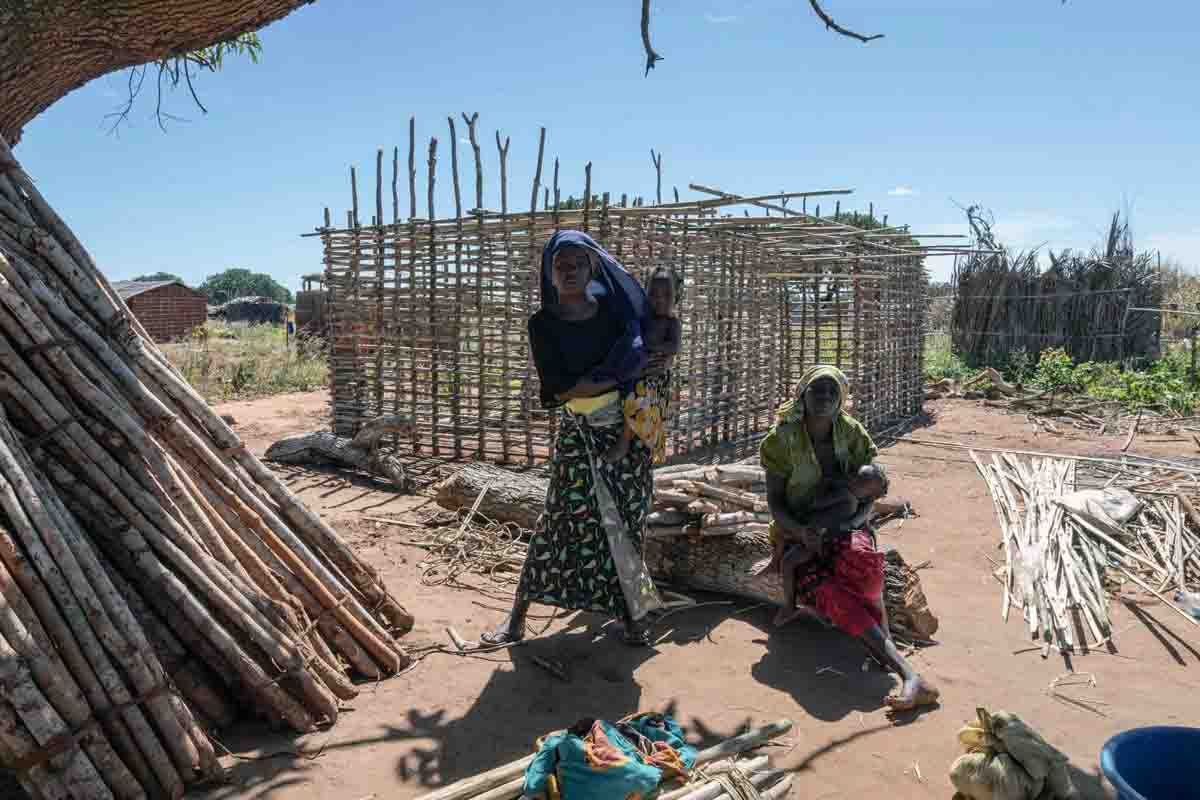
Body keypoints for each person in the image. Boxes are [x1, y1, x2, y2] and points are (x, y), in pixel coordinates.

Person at [481, 230, 662, 647]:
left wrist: (603, 390)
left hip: (626, 434)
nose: (569, 272)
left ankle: (635, 620)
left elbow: (639, 371)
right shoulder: (543, 324)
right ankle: (516, 622)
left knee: (628, 523)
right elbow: (559, 389)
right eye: (560, 265)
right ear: (549, 271)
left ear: (592, 267)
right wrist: (606, 378)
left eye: (577, 263)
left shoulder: (615, 314)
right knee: (558, 520)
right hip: (577, 435)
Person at [760, 365, 939, 712]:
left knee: (866, 570)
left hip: (847, 526)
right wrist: (802, 532)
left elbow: (870, 492)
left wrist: (851, 525)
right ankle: (907, 672)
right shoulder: (781, 439)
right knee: (830, 593)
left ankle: (902, 668)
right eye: (817, 390)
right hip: (798, 532)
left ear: (841, 397)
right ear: (803, 395)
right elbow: (775, 504)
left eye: (832, 391)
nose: (824, 397)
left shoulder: (852, 434)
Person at [604, 267, 682, 465]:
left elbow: (674, 347)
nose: (660, 299)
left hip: (655, 377)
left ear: (676, 296)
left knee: (640, 403)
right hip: (637, 371)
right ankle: (627, 439)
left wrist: (651, 347)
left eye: (667, 295)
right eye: (654, 294)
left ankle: (626, 441)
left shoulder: (672, 322)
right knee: (626, 396)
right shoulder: (642, 318)